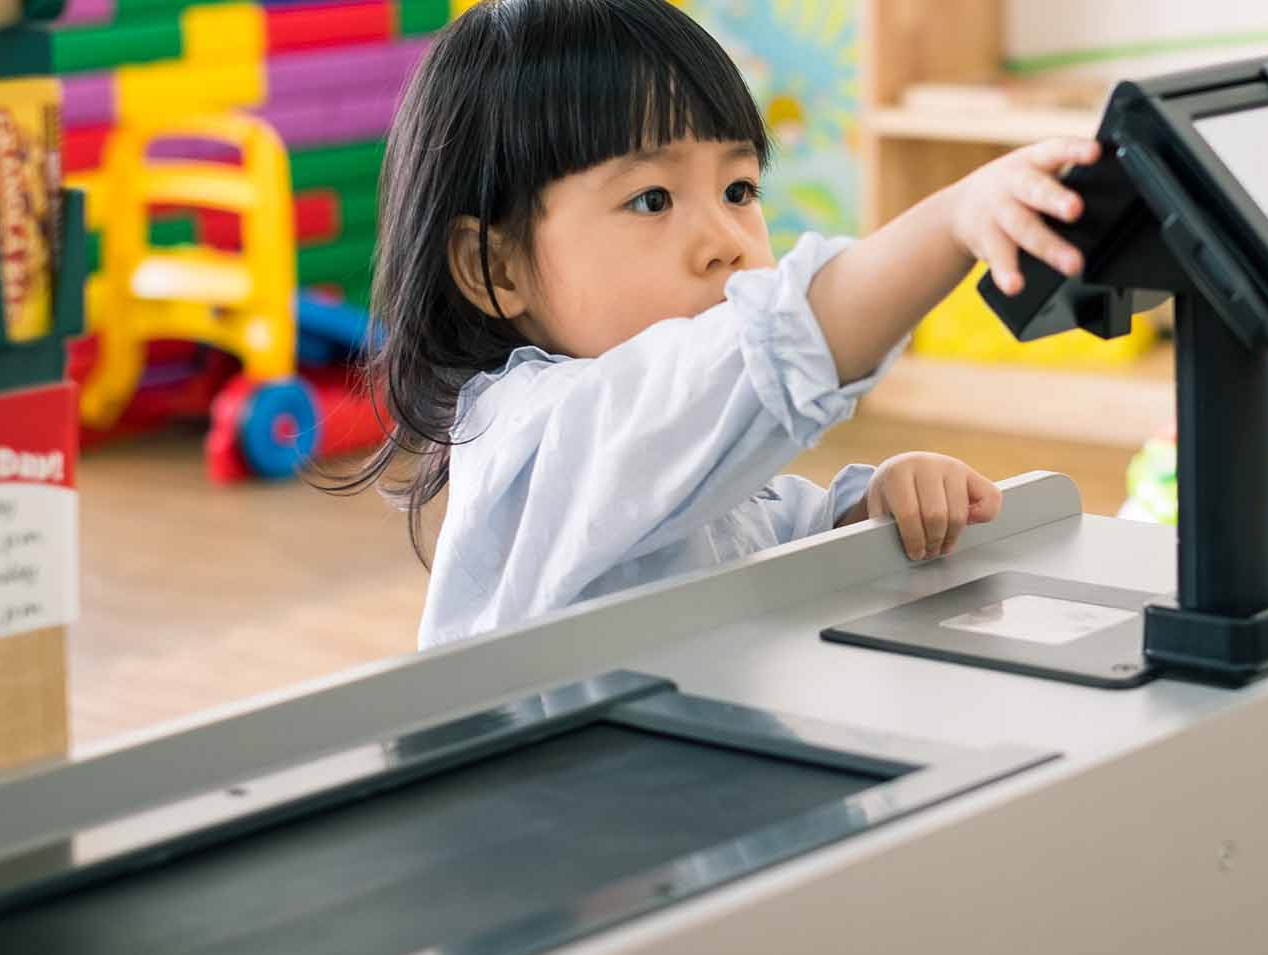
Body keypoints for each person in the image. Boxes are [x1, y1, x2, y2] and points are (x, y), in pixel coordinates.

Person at [324, 0, 1099, 647]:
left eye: (738, 189)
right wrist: (952, 220)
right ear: (493, 270)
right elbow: (781, 346)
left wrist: (871, 508)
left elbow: (765, 534)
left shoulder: (680, 452)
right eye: (652, 200)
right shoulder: (541, 433)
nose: (727, 242)